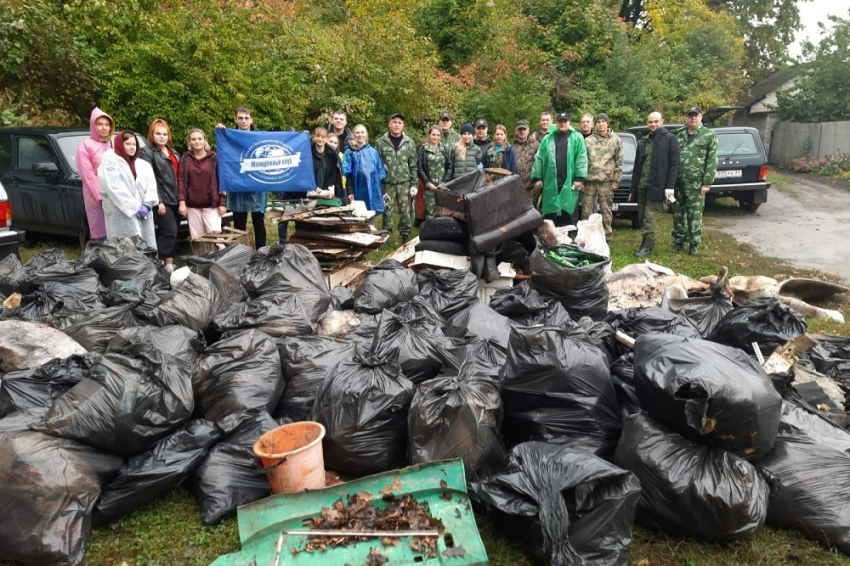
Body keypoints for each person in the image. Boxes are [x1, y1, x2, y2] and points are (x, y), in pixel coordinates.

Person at [630, 111, 680, 257]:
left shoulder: (670, 139)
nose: (653, 124)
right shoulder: (643, 141)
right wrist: (633, 188)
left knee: (649, 216)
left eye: (656, 121)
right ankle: (649, 241)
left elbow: (674, 165)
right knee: (641, 216)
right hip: (642, 185)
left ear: (662, 121)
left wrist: (670, 187)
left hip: (658, 186)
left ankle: (646, 245)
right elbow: (637, 166)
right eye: (650, 122)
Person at [216, 106, 266, 248]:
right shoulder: (230, 137)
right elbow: (224, 160)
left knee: (259, 222)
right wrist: (222, 131)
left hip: (257, 185)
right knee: (239, 224)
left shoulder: (260, 137)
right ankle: (241, 252)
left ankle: (261, 251)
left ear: (251, 120)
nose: (243, 121)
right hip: (238, 185)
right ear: (235, 119)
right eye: (240, 118)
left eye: (246, 118)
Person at [98, 130, 158, 249]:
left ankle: (147, 266)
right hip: (120, 212)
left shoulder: (143, 165)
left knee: (145, 243)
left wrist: (147, 204)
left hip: (143, 212)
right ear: (120, 144)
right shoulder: (110, 161)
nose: (132, 147)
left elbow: (151, 186)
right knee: (124, 245)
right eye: (128, 144)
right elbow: (114, 187)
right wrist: (134, 207)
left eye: (134, 144)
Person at [674, 106, 718, 255]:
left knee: (695, 214)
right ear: (686, 118)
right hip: (679, 182)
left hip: (696, 183)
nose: (693, 118)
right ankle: (678, 241)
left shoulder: (709, 135)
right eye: (690, 116)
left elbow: (712, 160)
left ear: (701, 117)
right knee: (679, 213)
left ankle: (693, 243)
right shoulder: (679, 135)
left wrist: (707, 182)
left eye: (696, 115)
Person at [530, 112, 587, 226]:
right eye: (560, 121)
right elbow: (539, 158)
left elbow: (581, 158)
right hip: (551, 184)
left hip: (569, 184)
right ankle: (551, 242)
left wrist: (579, 178)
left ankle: (568, 241)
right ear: (556, 123)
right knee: (550, 217)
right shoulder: (547, 138)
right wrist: (538, 178)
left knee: (568, 214)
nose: (562, 124)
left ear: (569, 123)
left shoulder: (576, 138)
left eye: (565, 121)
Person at [139, 119, 180, 272]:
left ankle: (169, 264)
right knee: (169, 231)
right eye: (158, 133)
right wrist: (158, 201)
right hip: (161, 200)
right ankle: (156, 264)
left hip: (175, 198)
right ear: (151, 134)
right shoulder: (147, 152)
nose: (162, 137)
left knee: (174, 233)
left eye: (164, 134)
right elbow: (149, 178)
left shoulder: (173, 152)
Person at [375, 113, 418, 244]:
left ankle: (405, 234)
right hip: (387, 182)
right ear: (389, 124)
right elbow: (377, 164)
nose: (397, 125)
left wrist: (414, 184)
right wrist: (379, 185)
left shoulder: (409, 142)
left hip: (404, 182)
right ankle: (386, 234)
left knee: (405, 211)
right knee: (387, 210)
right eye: (394, 122)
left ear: (403, 126)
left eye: (399, 123)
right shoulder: (381, 142)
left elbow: (413, 165)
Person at [582, 112, 623, 242]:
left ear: (607, 124)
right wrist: (580, 180)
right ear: (595, 124)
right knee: (586, 211)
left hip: (606, 182)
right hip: (589, 182)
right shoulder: (588, 141)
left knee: (606, 211)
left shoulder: (615, 140)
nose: (600, 124)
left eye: (603, 122)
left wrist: (616, 181)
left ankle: (607, 238)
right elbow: (582, 161)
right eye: (598, 122)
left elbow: (619, 161)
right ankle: (587, 237)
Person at [178, 129, 226, 239]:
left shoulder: (214, 158)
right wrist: (182, 202)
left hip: (211, 204)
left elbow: (222, 181)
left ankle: (219, 256)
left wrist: (222, 203)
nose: (197, 142)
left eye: (200, 139)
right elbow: (181, 180)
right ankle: (201, 257)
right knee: (197, 239)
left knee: (216, 237)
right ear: (189, 142)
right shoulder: (185, 158)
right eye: (193, 139)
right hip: (192, 205)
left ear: (205, 141)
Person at [77, 107, 115, 241]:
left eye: (107, 124)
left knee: (115, 232)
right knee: (101, 234)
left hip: (115, 197)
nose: (104, 128)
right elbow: (87, 173)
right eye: (100, 124)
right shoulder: (85, 145)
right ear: (93, 126)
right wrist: (100, 196)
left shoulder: (112, 144)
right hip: (96, 199)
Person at [344, 124, 387, 219]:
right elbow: (347, 173)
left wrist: (382, 191)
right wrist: (350, 191)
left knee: (370, 212)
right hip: (357, 188)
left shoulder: (373, 152)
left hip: (372, 188)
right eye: (357, 132)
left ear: (366, 134)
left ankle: (370, 230)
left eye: (362, 132)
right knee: (357, 214)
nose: (360, 135)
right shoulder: (349, 152)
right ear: (354, 135)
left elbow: (379, 172)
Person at [417, 125, 453, 220]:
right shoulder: (423, 149)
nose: (435, 137)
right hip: (430, 187)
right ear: (429, 135)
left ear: (441, 137)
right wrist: (428, 183)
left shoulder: (445, 149)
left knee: (444, 212)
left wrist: (444, 182)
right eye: (433, 134)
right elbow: (420, 168)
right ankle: (431, 233)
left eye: (438, 135)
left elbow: (450, 166)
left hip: (443, 187)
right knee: (430, 213)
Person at [512, 119, 540, 202]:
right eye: (520, 129)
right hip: (514, 186)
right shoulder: (510, 146)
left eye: (524, 129)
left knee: (531, 212)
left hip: (530, 186)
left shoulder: (536, 145)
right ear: (516, 131)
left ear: (528, 130)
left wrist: (538, 180)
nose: (522, 131)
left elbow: (540, 164)